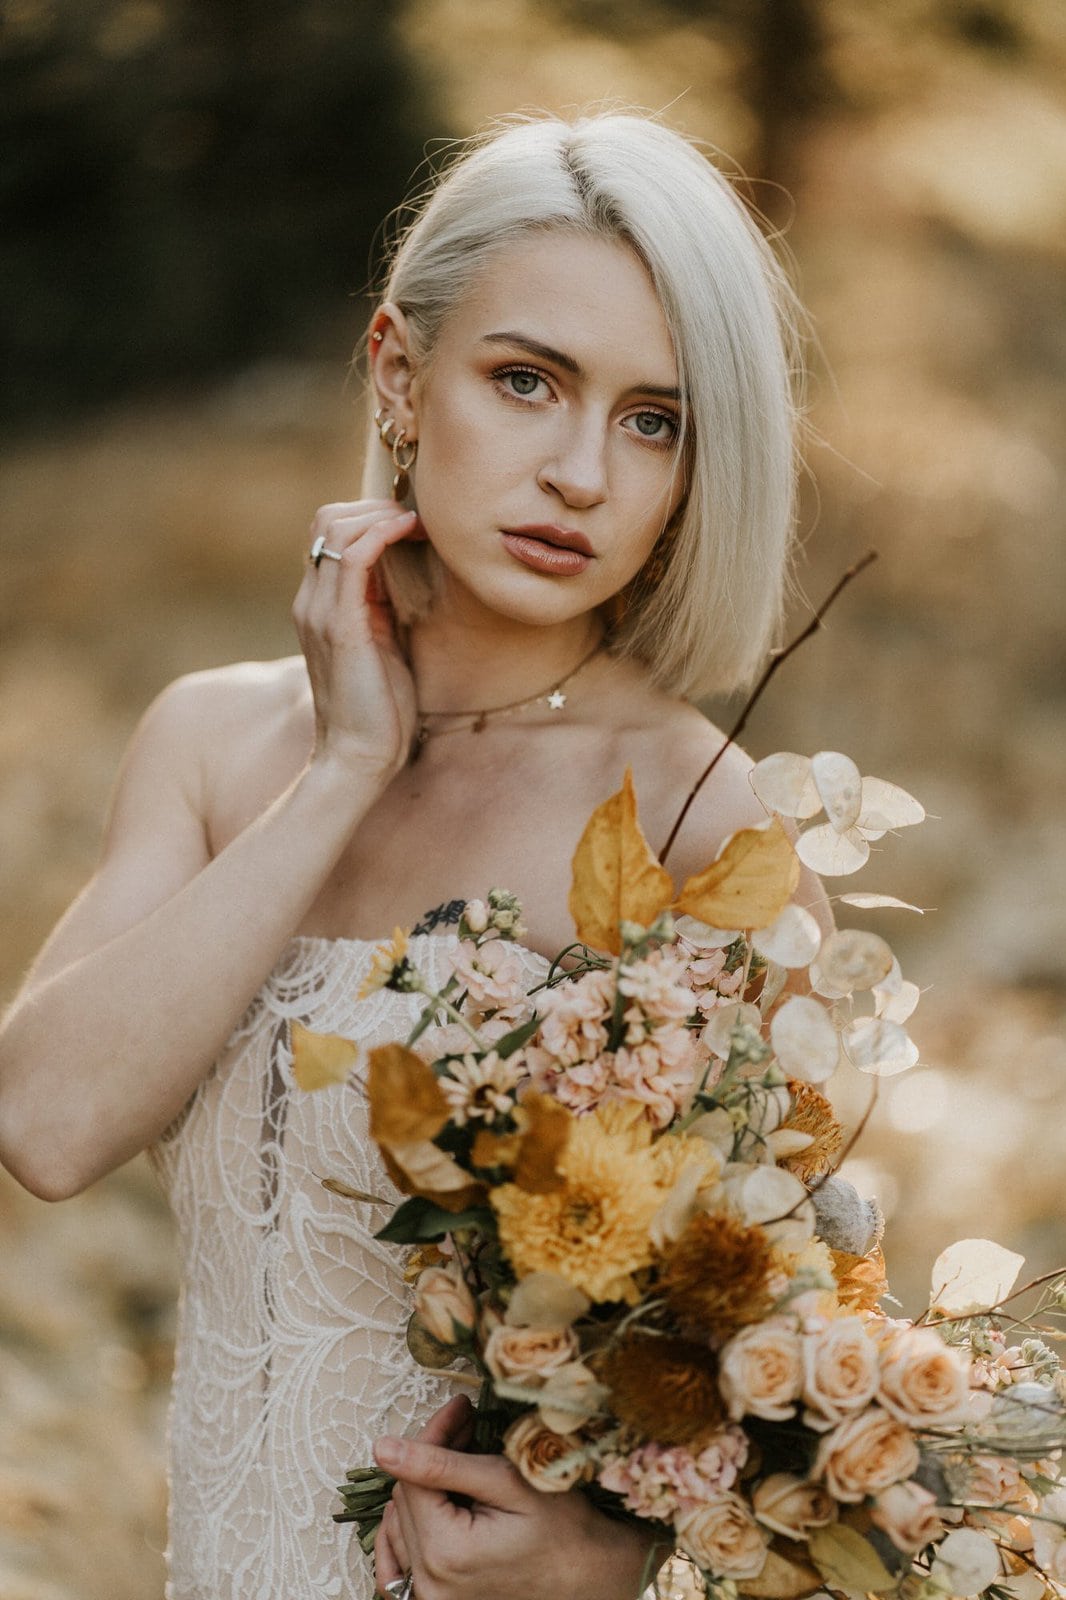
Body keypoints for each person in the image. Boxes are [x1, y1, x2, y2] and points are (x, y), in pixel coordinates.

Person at [0, 112, 824, 1600]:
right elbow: (47, 1126)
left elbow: (780, 1339)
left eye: (655, 420)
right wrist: (342, 770)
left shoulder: (703, 816)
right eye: (526, 383)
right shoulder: (211, 743)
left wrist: (612, 1548)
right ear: (397, 374)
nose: (581, 471)